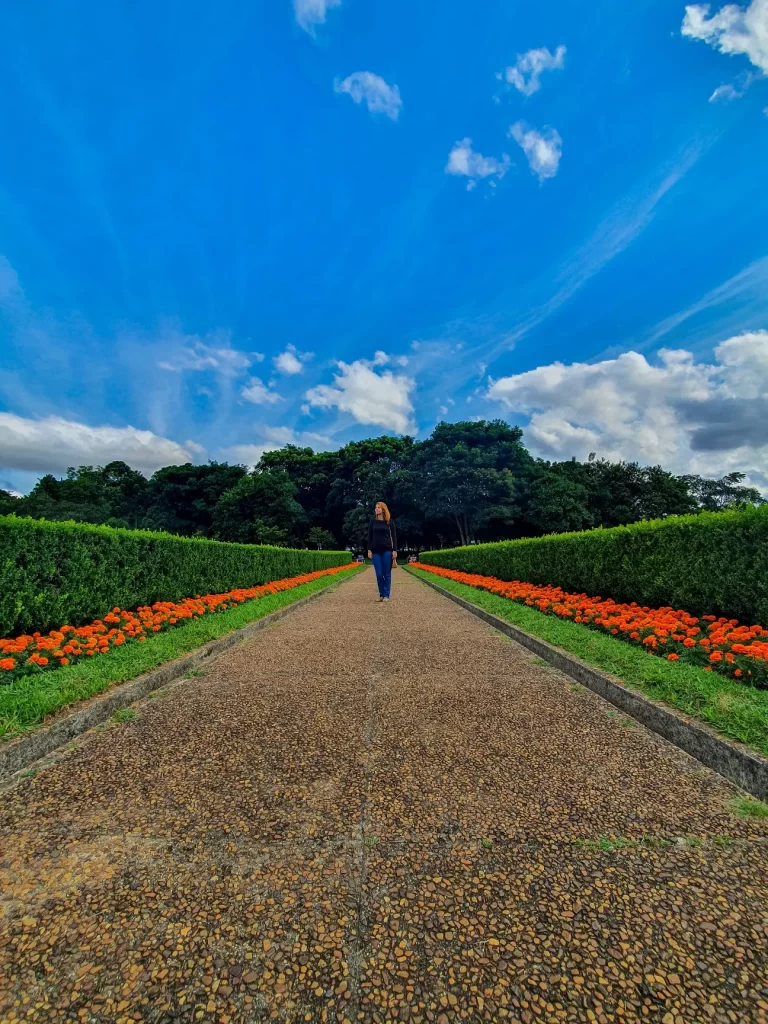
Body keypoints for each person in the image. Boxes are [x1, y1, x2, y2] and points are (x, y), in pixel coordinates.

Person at [367, 501, 397, 602]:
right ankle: (381, 594)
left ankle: (386, 595)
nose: (376, 509)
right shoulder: (372, 521)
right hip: (375, 551)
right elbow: (370, 536)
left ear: (383, 509)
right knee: (379, 574)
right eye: (376, 507)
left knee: (387, 573)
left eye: (378, 507)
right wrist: (369, 549)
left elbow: (394, 537)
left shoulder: (389, 522)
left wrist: (394, 550)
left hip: (387, 550)